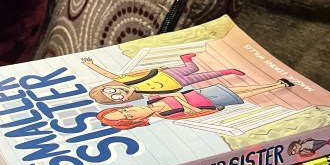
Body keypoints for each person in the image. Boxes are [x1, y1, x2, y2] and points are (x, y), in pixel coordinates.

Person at [96, 78, 294, 129]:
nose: (131, 112)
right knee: (238, 95)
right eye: (129, 117)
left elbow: (176, 93)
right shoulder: (165, 115)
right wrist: (189, 105)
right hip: (206, 102)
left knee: (239, 90)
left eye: (124, 111)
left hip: (199, 94)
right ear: (136, 121)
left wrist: (184, 100)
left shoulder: (152, 99)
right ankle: (274, 86)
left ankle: (272, 84)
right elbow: (189, 112)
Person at [82, 53, 245, 103]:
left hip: (166, 74)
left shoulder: (126, 80)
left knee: (193, 68)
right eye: (114, 96)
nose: (116, 92)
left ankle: (186, 59)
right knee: (203, 76)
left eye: (109, 90)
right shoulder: (141, 94)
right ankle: (228, 71)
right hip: (176, 84)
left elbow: (108, 75)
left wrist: (91, 65)